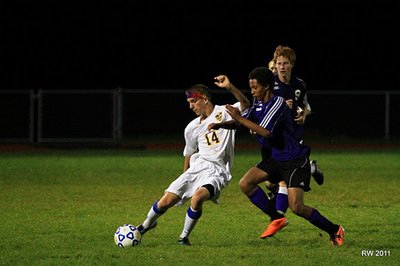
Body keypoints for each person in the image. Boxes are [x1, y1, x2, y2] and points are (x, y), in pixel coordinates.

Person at [210, 67, 345, 246]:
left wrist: (240, 119)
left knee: (297, 207)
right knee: (245, 183)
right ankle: (276, 217)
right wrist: (221, 125)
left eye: (255, 88)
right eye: (250, 88)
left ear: (266, 87)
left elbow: (265, 132)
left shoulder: (277, 103)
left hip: (294, 159)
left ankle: (335, 229)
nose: (252, 91)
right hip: (277, 158)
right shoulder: (257, 104)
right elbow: (240, 120)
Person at [136, 80, 250, 246]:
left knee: (197, 198)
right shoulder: (191, 128)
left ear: (204, 98)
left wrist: (230, 87)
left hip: (217, 171)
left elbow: (246, 104)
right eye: (189, 103)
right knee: (165, 202)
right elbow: (189, 153)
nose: (190, 106)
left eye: (193, 101)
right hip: (197, 167)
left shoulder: (225, 110)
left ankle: (183, 237)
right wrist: (184, 175)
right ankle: (146, 225)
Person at [264, 45, 325, 215]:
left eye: (285, 63)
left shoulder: (299, 84)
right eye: (279, 63)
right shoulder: (269, 85)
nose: (282, 67)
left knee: (283, 178)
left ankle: (278, 217)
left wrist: (304, 115)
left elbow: (306, 106)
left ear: (291, 64)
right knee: (270, 181)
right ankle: (310, 168)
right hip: (272, 136)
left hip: (292, 136)